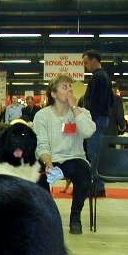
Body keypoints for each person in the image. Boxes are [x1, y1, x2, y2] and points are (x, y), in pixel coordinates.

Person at [34, 74, 96, 234]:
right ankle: (47, 215)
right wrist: (47, 161)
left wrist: (75, 109)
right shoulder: (42, 115)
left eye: (70, 87)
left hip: (74, 158)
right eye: (64, 87)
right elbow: (41, 143)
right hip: (50, 157)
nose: (69, 90)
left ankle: (75, 217)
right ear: (53, 94)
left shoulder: (82, 113)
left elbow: (88, 132)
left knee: (83, 171)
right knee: (35, 173)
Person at [81, 49, 113, 197]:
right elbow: (110, 101)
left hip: (96, 119)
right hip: (102, 118)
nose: (85, 66)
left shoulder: (97, 77)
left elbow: (94, 102)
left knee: (94, 153)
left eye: (86, 62)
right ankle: (98, 186)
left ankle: (96, 187)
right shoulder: (104, 76)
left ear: (94, 60)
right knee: (96, 153)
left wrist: (90, 119)